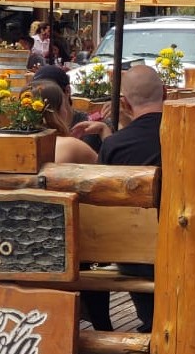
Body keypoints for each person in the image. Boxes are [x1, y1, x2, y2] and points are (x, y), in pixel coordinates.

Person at [72, 66, 165, 333]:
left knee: (86, 249)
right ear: (166, 93)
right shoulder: (186, 137)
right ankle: (151, 324)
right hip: (184, 245)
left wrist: (107, 137)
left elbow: (100, 204)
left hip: (132, 255)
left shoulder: (116, 146)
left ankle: (101, 330)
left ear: (124, 103)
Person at [29, 81, 98, 164]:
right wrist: (105, 132)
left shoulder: (15, 145)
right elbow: (109, 170)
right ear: (56, 112)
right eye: (64, 104)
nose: (66, 110)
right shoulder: (71, 146)